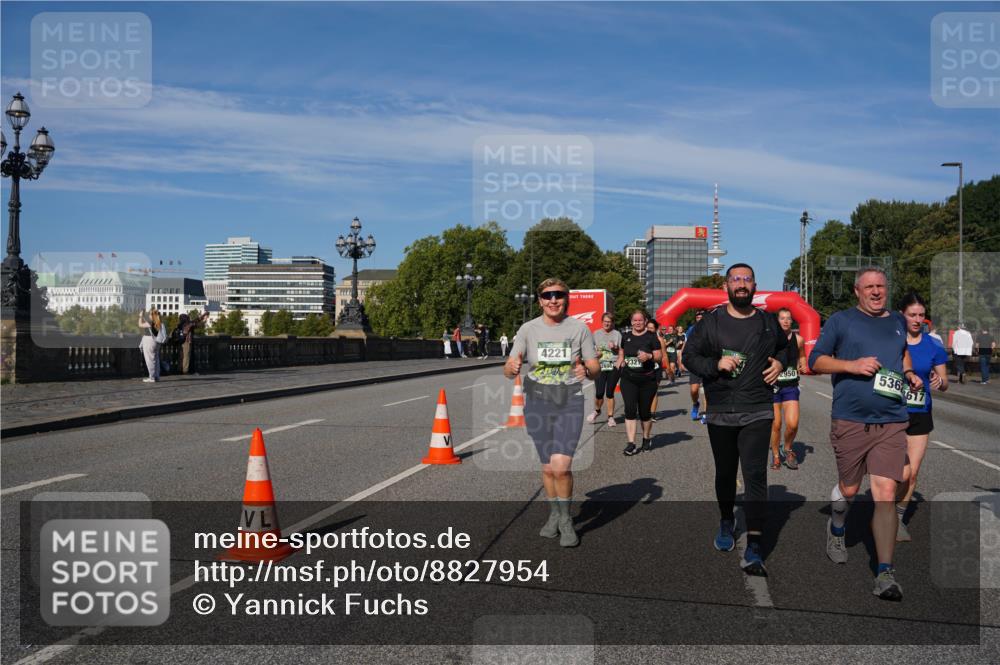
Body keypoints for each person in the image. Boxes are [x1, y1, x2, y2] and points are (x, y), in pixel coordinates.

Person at [809, 266, 923, 601]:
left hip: (891, 419)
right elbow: (816, 360)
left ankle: (885, 572)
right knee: (850, 487)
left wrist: (910, 373)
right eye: (869, 287)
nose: (876, 291)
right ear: (857, 291)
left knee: (885, 492)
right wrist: (851, 365)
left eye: (881, 286)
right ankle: (837, 526)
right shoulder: (841, 321)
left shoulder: (897, 322)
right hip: (850, 419)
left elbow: (902, 354)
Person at [682, 264, 786, 576]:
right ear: (727, 285)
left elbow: (787, 348)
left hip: (758, 408)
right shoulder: (711, 321)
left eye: (747, 279)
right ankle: (727, 520)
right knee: (725, 474)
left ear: (755, 285)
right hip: (721, 410)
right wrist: (714, 365)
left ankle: (754, 544)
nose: (741, 284)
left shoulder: (768, 322)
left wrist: (781, 362)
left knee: (755, 476)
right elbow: (689, 357)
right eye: (736, 279)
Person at [506, 278, 599, 548]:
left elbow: (594, 366)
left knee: (561, 467)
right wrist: (510, 368)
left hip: (569, 399)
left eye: (558, 295)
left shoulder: (579, 328)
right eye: (547, 296)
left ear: (566, 298)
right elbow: (510, 364)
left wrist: (587, 370)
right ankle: (555, 515)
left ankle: (567, 520)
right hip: (537, 401)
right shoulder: (528, 329)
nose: (553, 300)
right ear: (540, 300)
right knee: (547, 467)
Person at [895, 293, 948, 542]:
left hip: (920, 413)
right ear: (902, 315)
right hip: (892, 413)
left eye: (921, 315)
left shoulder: (933, 344)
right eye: (912, 315)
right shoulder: (892, 342)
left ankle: (898, 518)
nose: (917, 320)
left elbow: (945, 381)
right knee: (897, 472)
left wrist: (940, 381)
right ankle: (883, 510)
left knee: (912, 473)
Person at [616, 310, 661, 456]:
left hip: (647, 380)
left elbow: (659, 357)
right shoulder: (626, 336)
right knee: (629, 409)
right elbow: (622, 351)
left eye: (640, 320)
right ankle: (631, 443)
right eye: (635, 320)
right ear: (631, 322)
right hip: (628, 378)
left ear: (645, 321)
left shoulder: (651, 336)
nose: (637, 323)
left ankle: (646, 438)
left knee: (644, 412)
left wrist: (648, 356)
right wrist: (620, 360)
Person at [769, 308, 808, 470]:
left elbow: (802, 354)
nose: (785, 321)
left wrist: (803, 364)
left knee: (792, 424)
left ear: (792, 321)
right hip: (773, 386)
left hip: (791, 385)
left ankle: (788, 448)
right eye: (782, 318)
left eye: (788, 318)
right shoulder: (770, 339)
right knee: (776, 424)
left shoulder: (798, 340)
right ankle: (776, 455)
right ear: (777, 321)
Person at [588, 312, 621, 427]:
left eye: (609, 322)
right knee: (599, 393)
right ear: (602, 322)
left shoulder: (617, 334)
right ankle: (597, 410)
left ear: (612, 323)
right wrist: (595, 353)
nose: (607, 324)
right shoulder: (596, 334)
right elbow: (589, 349)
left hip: (613, 366)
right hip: (600, 366)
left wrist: (616, 348)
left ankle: (610, 417)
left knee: (610, 393)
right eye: (605, 321)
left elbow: (621, 351)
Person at [679, 311, 707, 424]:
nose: (699, 318)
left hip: (707, 363)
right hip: (695, 363)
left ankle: (705, 413)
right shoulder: (691, 329)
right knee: (694, 390)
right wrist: (681, 360)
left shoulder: (711, 327)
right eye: (697, 316)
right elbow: (685, 345)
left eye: (701, 316)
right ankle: (695, 404)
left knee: (706, 390)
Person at [646, 319, 668, 421]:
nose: (649, 330)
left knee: (654, 391)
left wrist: (668, 369)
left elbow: (664, 355)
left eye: (652, 328)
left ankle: (652, 414)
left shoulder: (660, 340)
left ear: (655, 329)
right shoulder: (642, 338)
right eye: (648, 327)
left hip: (656, 368)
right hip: (644, 369)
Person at [178, 309, 210, 375]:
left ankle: (186, 370)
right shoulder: (186, 325)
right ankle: (185, 371)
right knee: (186, 357)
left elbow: (195, 321)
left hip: (184, 342)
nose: (188, 319)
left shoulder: (182, 324)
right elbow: (195, 323)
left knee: (185, 356)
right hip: (186, 342)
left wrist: (203, 315)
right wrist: (204, 319)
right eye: (187, 318)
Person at [138, 308, 165, 383]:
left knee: (150, 360)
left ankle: (151, 377)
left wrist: (140, 316)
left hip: (149, 341)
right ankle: (156, 376)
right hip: (156, 342)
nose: (149, 315)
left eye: (150, 314)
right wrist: (143, 317)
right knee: (156, 359)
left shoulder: (150, 322)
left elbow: (140, 325)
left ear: (152, 315)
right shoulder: (159, 322)